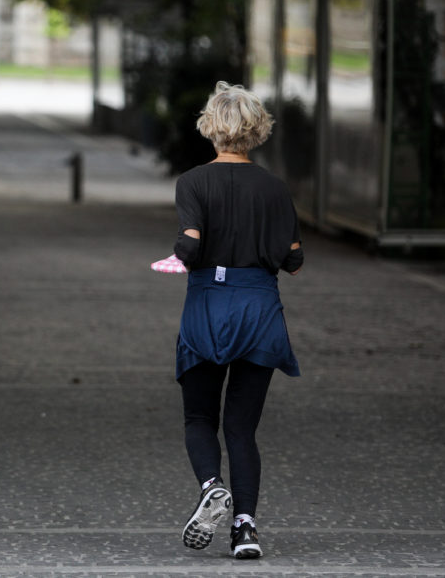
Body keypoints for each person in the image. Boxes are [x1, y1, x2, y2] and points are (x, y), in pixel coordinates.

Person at [172, 82, 303, 560]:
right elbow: (294, 259)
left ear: (211, 127)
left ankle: (211, 486)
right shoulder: (275, 188)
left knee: (199, 416)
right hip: (259, 309)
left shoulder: (192, 182)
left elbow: (189, 244)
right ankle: (246, 529)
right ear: (256, 130)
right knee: (242, 429)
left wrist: (176, 257)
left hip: (209, 303)